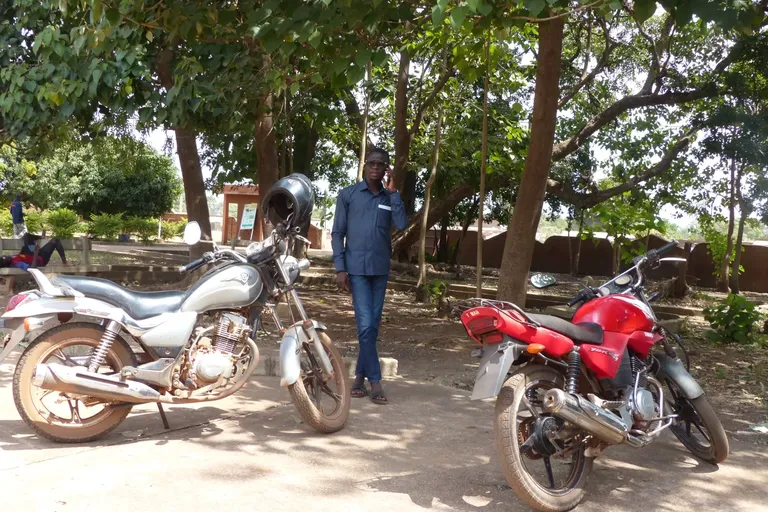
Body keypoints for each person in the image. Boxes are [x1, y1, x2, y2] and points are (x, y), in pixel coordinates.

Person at [331, 147, 408, 405]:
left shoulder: (389, 198)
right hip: (356, 271)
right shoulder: (348, 195)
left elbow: (401, 224)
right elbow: (337, 233)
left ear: (386, 169)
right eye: (372, 163)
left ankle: (359, 378)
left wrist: (394, 191)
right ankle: (375, 382)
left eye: (381, 164)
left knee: (371, 328)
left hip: (380, 270)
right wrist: (340, 268)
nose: (375, 167)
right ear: (365, 165)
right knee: (365, 326)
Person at [0, 232, 69, 270]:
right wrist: (36, 255)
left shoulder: (12, 258)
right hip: (40, 258)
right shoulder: (17, 263)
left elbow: (20, 257)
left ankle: (42, 237)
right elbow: (32, 268)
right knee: (55, 240)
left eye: (4, 256)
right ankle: (65, 262)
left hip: (31, 254)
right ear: (6, 264)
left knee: (26, 236)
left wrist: (21, 253)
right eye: (5, 259)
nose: (6, 256)